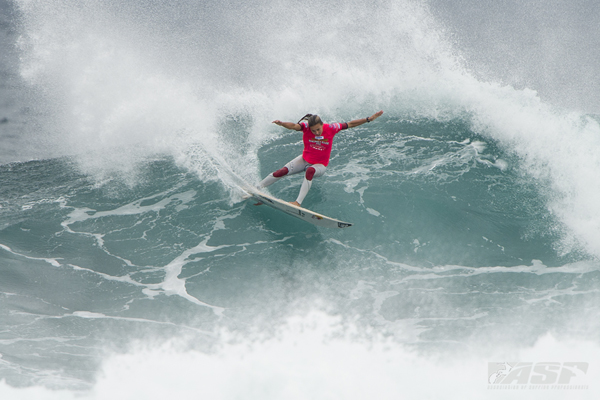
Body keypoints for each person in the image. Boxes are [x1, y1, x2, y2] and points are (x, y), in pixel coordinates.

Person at [258, 110, 384, 207]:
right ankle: (257, 189)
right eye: (313, 131)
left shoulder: (331, 128)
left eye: (318, 129)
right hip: (304, 159)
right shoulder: (306, 128)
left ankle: (297, 203)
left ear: (322, 125)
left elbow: (350, 124)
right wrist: (282, 124)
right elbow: (293, 126)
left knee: (310, 171)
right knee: (281, 172)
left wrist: (369, 119)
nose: (316, 133)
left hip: (320, 165)